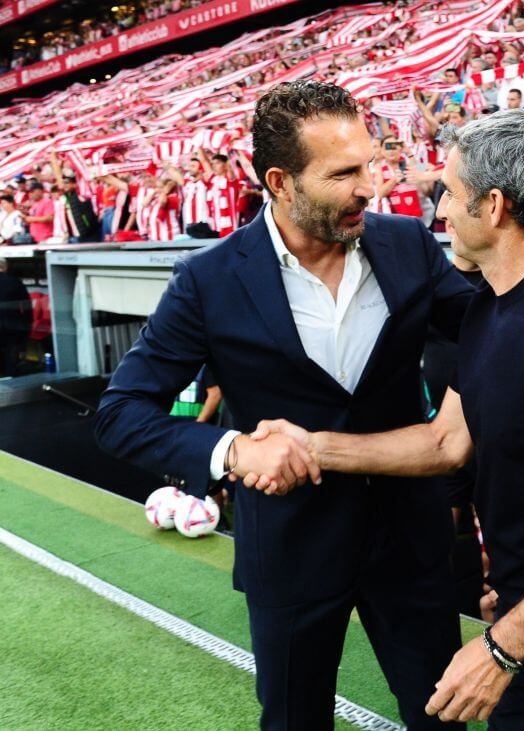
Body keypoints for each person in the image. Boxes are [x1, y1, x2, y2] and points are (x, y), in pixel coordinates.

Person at [247, 109, 524, 728]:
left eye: (450, 193)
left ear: (493, 207)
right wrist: (313, 446)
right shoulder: (487, 309)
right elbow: (446, 442)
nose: (438, 211)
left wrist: (505, 645)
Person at [95, 80, 473, 730]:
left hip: (409, 541)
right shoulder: (208, 281)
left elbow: (490, 328)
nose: (369, 187)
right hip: (292, 549)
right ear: (281, 180)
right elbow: (121, 411)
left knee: (441, 717)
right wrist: (234, 449)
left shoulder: (409, 244)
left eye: (371, 165)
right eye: (345, 173)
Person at [0, 257, 32, 377]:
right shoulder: (15, 282)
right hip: (12, 327)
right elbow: (27, 307)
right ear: (5, 267)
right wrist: (27, 327)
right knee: (11, 359)